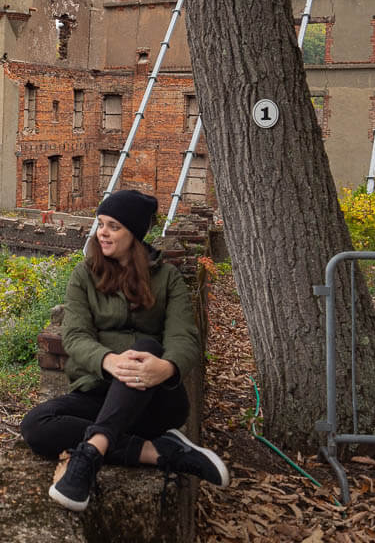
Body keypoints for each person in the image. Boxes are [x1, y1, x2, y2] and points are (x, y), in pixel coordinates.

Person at [20, 189, 229, 512]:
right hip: (99, 394)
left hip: (156, 401)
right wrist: (108, 360)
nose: (102, 232)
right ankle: (158, 452)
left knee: (145, 348)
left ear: (133, 233)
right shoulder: (84, 275)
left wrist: (168, 368)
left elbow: (185, 337)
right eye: (101, 223)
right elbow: (74, 336)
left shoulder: (168, 278)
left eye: (113, 226)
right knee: (36, 425)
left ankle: (89, 455)